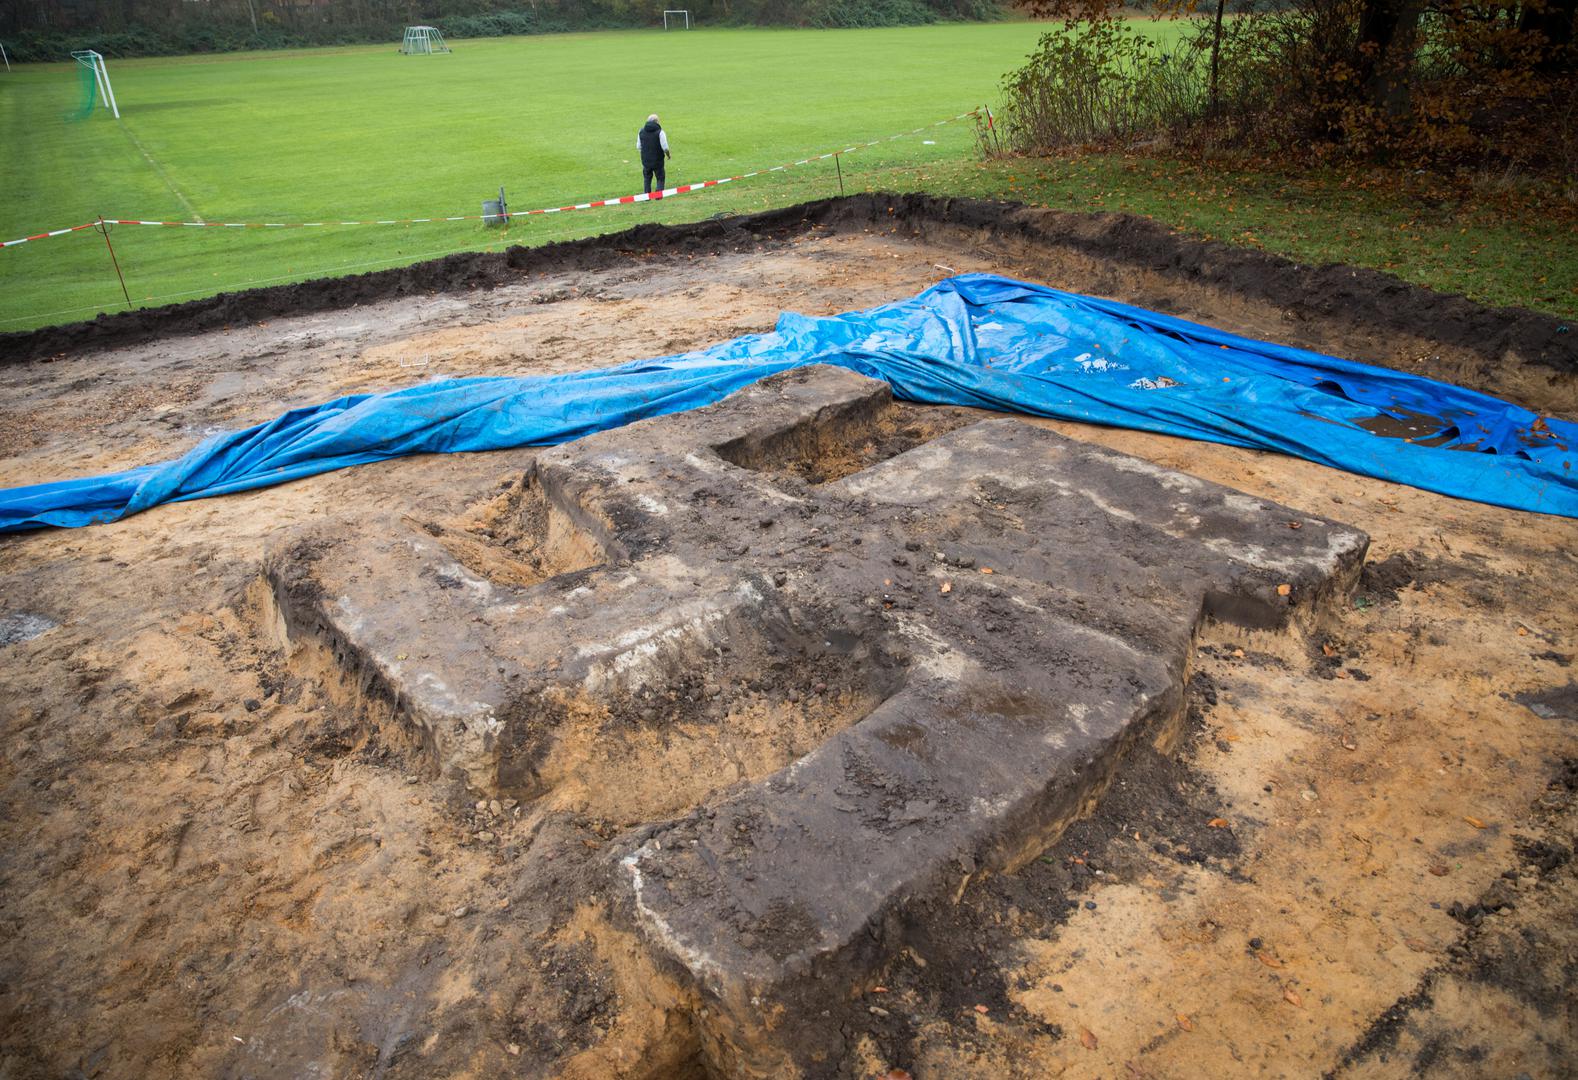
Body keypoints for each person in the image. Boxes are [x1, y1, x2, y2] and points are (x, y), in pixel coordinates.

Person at [637, 114, 671, 196]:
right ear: (657, 122)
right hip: (658, 160)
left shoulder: (641, 131)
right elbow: (665, 147)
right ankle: (658, 195)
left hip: (646, 160)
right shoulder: (660, 132)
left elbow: (638, 146)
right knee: (660, 177)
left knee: (647, 178)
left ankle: (646, 196)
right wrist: (668, 155)